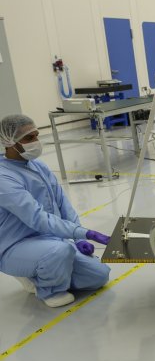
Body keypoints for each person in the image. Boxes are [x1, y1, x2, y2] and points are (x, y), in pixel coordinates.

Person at [0, 115, 111, 308]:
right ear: (10, 142)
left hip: (48, 240)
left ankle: (43, 271)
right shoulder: (4, 177)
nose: (36, 141)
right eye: (29, 138)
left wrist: (78, 238)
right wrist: (84, 233)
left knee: (99, 275)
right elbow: (37, 218)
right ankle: (49, 290)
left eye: (36, 135)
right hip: (14, 245)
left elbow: (63, 204)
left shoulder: (38, 166)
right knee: (60, 251)